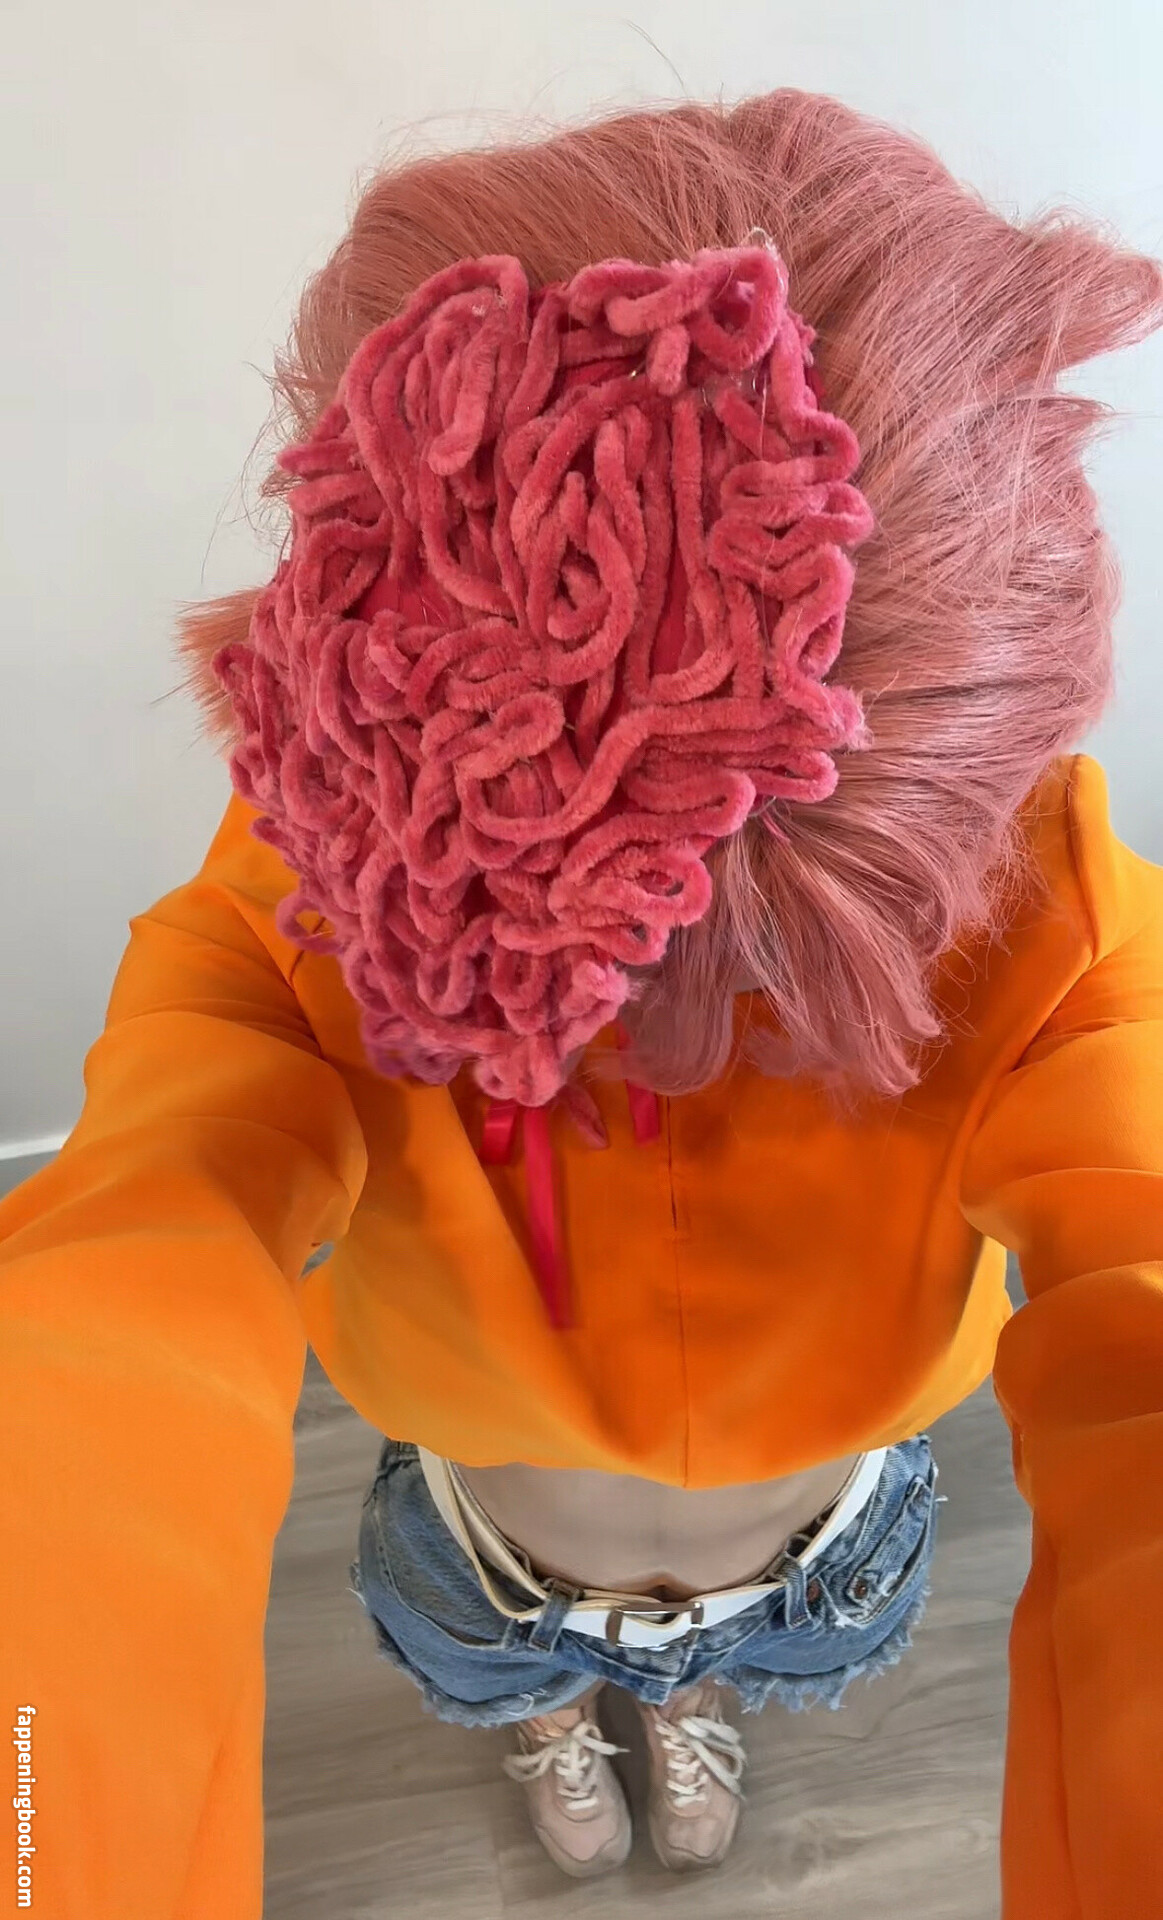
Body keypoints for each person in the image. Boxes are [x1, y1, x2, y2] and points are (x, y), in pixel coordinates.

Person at [3, 87, 1163, 1920]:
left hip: (820, 1551)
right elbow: (123, 1287)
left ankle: (685, 1698)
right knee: (504, 1662)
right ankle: (554, 1712)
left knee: (720, 1656)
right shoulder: (304, 901)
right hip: (480, 1547)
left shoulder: (1056, 930)